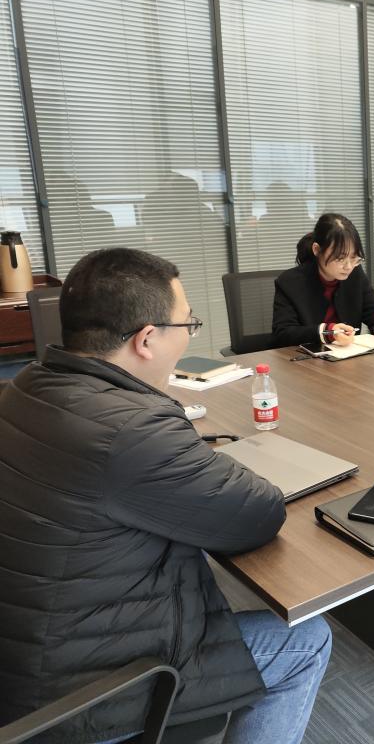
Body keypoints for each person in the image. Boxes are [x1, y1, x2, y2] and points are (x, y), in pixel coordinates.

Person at [0, 248, 331, 744]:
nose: (190, 334)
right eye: (188, 324)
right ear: (147, 339)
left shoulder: (27, 384)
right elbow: (259, 514)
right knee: (307, 639)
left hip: (30, 657)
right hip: (84, 696)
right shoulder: (133, 429)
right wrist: (195, 455)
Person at [273, 213, 374, 348]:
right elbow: (283, 334)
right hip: (305, 358)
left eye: (354, 257)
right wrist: (327, 332)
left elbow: (373, 311)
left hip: (348, 355)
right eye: (340, 258)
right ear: (317, 250)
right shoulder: (289, 282)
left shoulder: (355, 274)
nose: (348, 266)